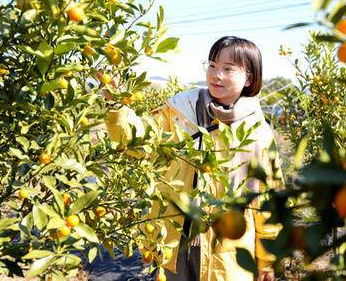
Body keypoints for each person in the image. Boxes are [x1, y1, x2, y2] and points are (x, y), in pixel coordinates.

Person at [105, 36, 283, 281]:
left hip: (229, 253)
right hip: (175, 242)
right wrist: (115, 104)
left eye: (228, 68)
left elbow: (267, 200)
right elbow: (137, 142)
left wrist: (268, 259)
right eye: (212, 65)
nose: (216, 74)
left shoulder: (259, 133)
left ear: (249, 78)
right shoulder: (181, 110)